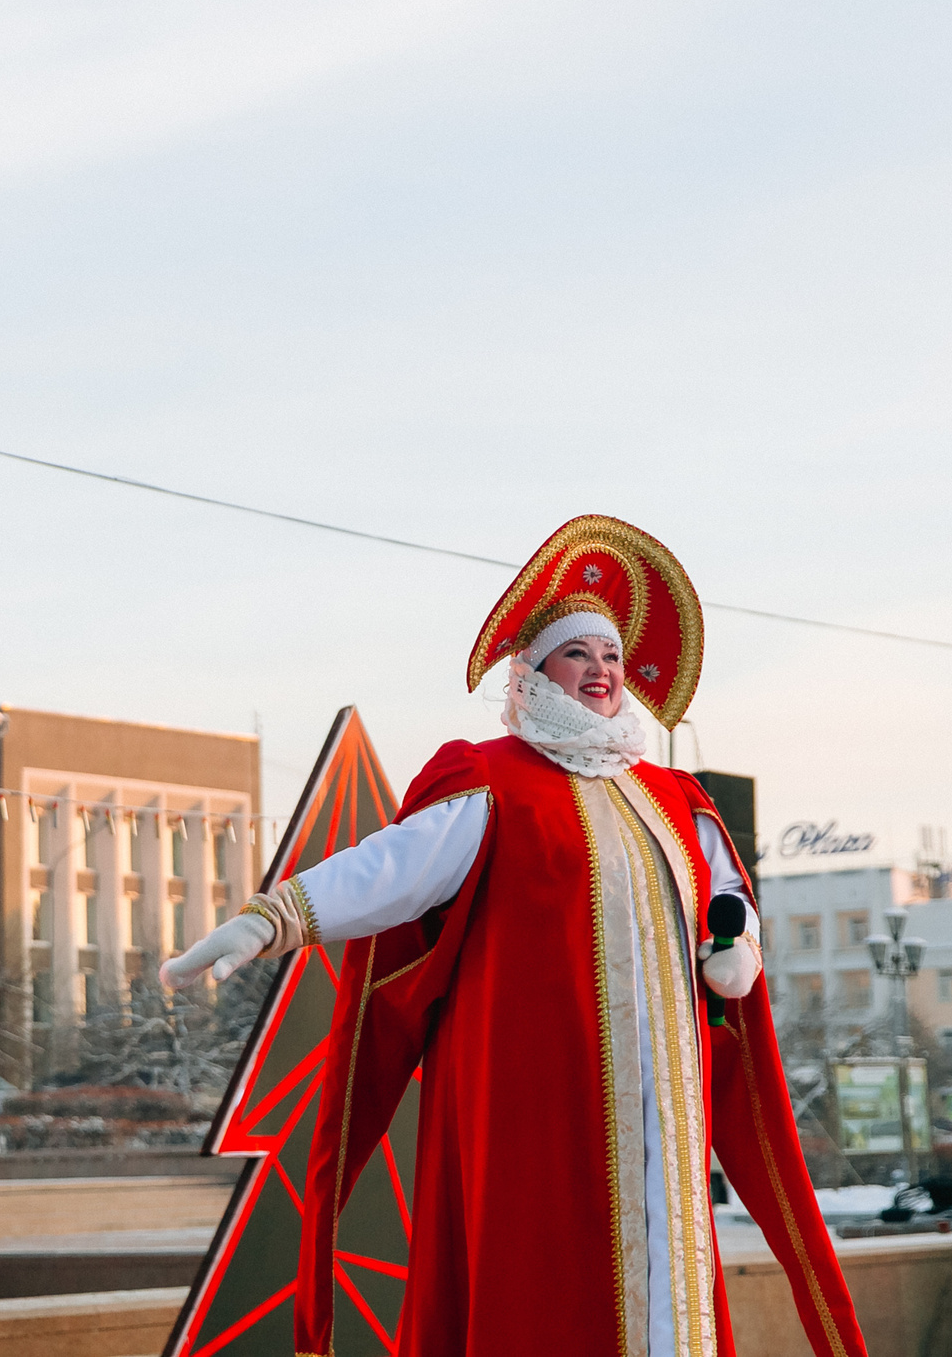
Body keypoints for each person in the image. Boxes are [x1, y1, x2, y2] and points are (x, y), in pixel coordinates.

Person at [163, 515, 867, 1357]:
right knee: (543, 1291)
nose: (602, 671)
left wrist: (737, 944)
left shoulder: (674, 797)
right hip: (540, 1109)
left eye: (611, 655)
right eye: (578, 654)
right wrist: (272, 918)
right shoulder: (492, 779)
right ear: (534, 672)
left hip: (666, 1110)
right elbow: (389, 869)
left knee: (671, 1291)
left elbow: (723, 893)